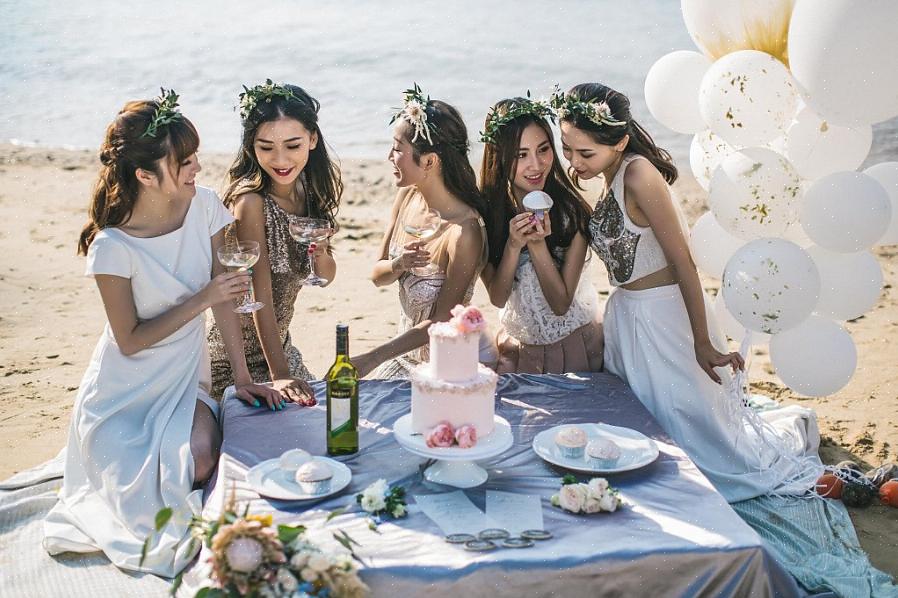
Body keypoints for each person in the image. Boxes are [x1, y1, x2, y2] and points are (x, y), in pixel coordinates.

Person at [43, 91, 280, 575]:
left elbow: (227, 303)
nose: (197, 168)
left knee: (196, 460)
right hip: (123, 392)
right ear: (146, 175)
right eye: (185, 162)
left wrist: (239, 378)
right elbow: (129, 339)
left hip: (184, 379)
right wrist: (203, 299)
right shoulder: (112, 246)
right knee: (157, 488)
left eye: (194, 157)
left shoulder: (207, 206)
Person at [554, 83, 821, 502]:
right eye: (567, 149)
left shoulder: (639, 174)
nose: (574, 161)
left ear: (620, 141)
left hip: (664, 320)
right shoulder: (606, 177)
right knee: (646, 434)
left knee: (700, 445)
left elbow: (683, 262)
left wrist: (701, 340)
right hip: (626, 319)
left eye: (585, 153)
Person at [207, 81, 341, 406]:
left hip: (279, 345)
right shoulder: (250, 203)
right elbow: (259, 293)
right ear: (251, 145)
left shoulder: (311, 187)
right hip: (233, 359)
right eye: (266, 147)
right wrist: (279, 374)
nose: (280, 159)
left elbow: (325, 276)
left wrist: (320, 250)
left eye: (292, 145)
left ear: (312, 138)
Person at [351, 84, 493, 378]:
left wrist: (372, 357)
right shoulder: (407, 196)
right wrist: (399, 264)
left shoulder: (464, 232)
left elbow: (442, 322)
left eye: (397, 149)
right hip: (402, 356)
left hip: (442, 365)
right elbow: (377, 276)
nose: (390, 156)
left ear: (429, 161)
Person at [479, 96, 602, 373]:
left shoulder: (573, 214)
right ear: (499, 158)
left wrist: (537, 245)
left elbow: (560, 304)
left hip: (574, 348)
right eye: (521, 155)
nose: (536, 165)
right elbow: (498, 297)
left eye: (543, 150)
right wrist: (512, 246)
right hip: (517, 350)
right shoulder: (490, 217)